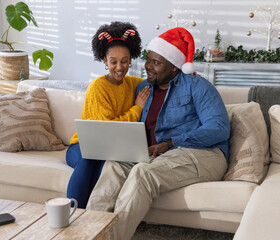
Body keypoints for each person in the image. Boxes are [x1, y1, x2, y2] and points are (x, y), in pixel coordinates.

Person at [86, 27, 230, 240]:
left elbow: (219, 129)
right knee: (114, 165)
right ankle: (88, 232)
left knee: (143, 173)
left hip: (202, 154)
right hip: (157, 155)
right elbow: (119, 83)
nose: (148, 67)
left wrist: (171, 143)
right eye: (148, 60)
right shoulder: (144, 88)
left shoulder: (198, 86)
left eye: (156, 63)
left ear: (174, 68)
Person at [66, 22, 150, 209]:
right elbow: (109, 128)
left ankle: (95, 218)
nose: (119, 67)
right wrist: (137, 109)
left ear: (130, 60)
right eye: (113, 62)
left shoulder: (132, 83)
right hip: (81, 147)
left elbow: (156, 81)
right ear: (104, 61)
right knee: (89, 159)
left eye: (125, 61)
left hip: (109, 151)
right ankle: (72, 212)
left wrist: (185, 78)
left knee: (110, 165)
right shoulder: (98, 87)